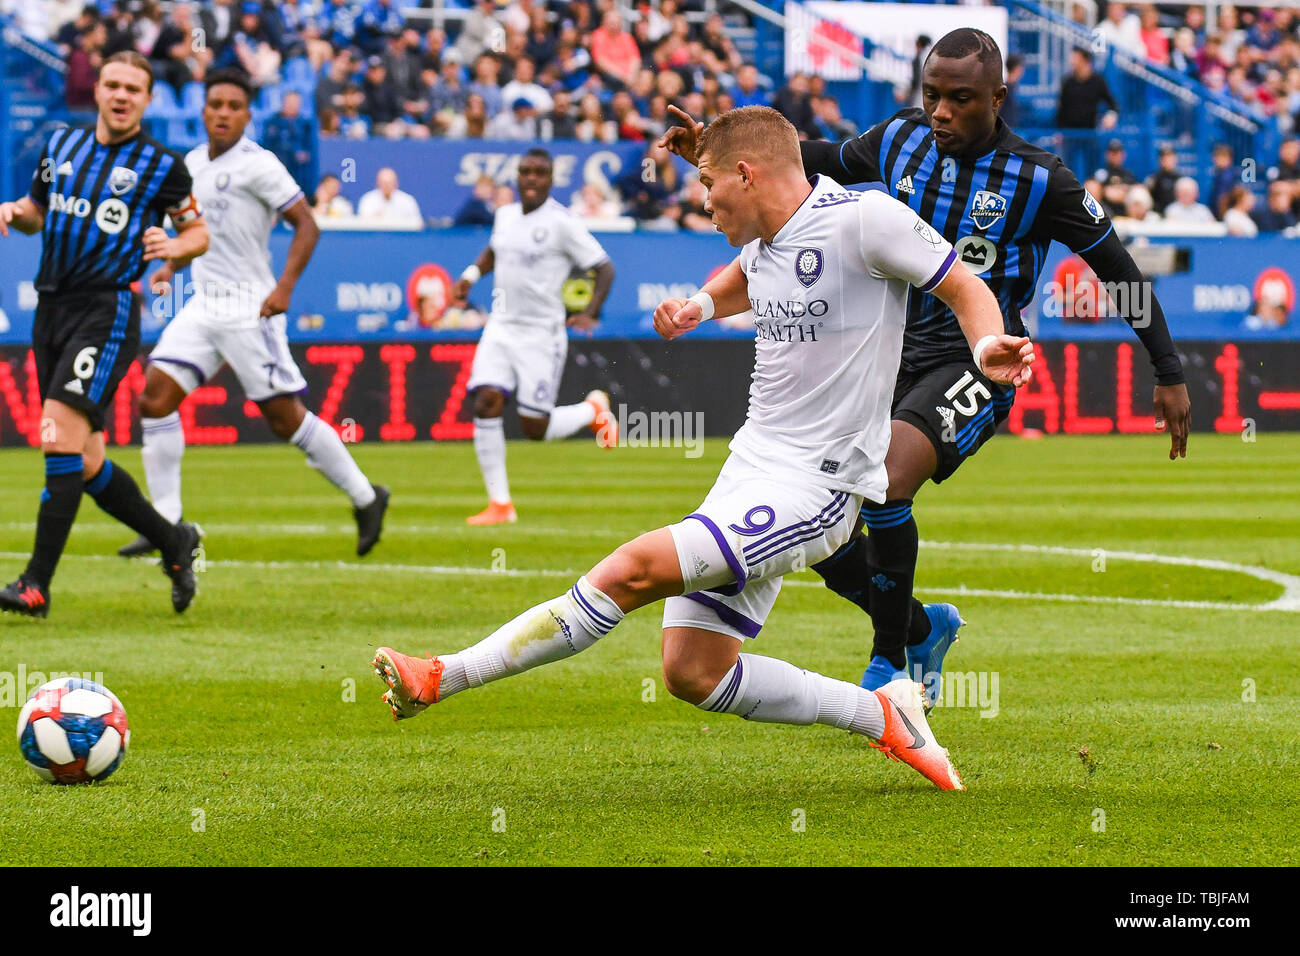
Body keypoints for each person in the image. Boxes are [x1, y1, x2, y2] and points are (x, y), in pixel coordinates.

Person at [373, 107, 1035, 791]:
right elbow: (748, 275)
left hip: (820, 485)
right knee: (693, 670)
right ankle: (882, 715)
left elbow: (963, 285)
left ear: (747, 174)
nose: (703, 197)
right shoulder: (768, 234)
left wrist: (987, 348)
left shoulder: (866, 220)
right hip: (751, 467)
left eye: (710, 182)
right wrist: (698, 304)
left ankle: (443, 675)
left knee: (631, 570)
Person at [663, 28, 1190, 705]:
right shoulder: (897, 141)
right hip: (883, 360)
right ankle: (920, 628)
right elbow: (799, 159)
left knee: (884, 481)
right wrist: (711, 145)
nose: (941, 112)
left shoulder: (1039, 178)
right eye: (932, 95)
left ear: (997, 98)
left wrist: (1168, 372)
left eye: (961, 99)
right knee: (825, 521)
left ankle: (888, 665)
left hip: (976, 360)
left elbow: (1118, 270)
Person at [117, 68, 389, 560]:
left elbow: (307, 225)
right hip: (203, 306)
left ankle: (368, 497)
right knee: (154, 399)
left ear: (247, 114)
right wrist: (171, 265)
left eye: (233, 106)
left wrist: (284, 288)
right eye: (215, 103)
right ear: (203, 110)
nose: (222, 113)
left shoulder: (259, 165)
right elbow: (195, 231)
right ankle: (168, 524)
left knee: (285, 420)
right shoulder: (191, 163)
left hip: (250, 307)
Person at [0, 52, 207, 618]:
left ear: (146, 99)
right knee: (86, 460)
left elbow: (198, 232)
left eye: (133, 89)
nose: (121, 96)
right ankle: (174, 541)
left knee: (58, 437)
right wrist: (14, 213)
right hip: (50, 308)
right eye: (112, 85)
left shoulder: (163, 166)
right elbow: (37, 211)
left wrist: (175, 247)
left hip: (106, 309)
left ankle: (35, 586)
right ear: (98, 90)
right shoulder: (58, 146)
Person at [451, 149, 618, 525]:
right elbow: (494, 251)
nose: (531, 178)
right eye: (525, 172)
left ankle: (592, 409)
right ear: (517, 176)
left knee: (534, 429)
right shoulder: (506, 214)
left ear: (551, 179)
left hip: (541, 335)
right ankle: (500, 505)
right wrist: (469, 276)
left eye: (539, 173)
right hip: (501, 326)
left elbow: (604, 268)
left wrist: (590, 312)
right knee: (486, 401)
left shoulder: (562, 223)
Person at [357, 167, 422, 226]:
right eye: (384, 183)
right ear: (377, 183)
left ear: (396, 183)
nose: (387, 186)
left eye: (390, 183)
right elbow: (362, 223)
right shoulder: (367, 200)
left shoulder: (407, 200)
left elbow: (418, 223)